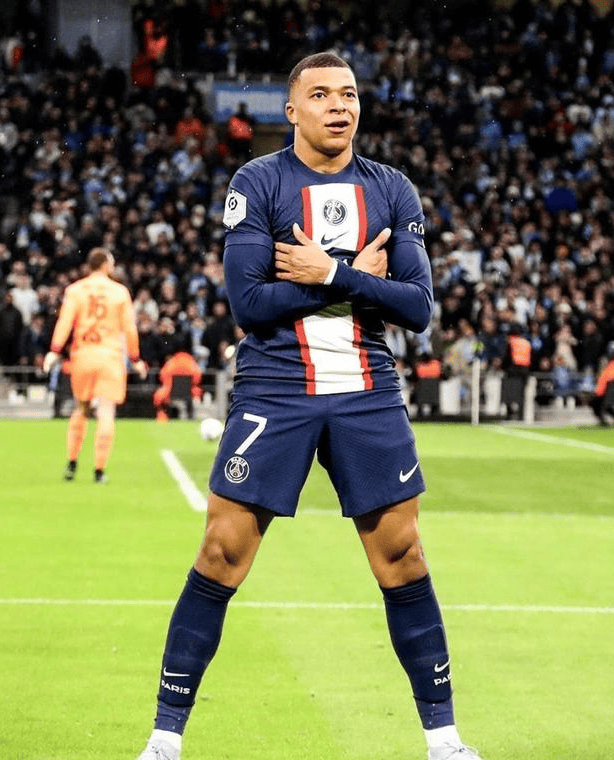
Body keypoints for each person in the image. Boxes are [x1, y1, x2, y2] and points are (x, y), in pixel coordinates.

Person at [135, 53, 484, 760]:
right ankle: (164, 740)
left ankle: (444, 740)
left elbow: (418, 307)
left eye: (348, 94)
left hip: (366, 389)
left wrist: (328, 272)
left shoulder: (392, 189)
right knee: (221, 552)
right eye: (320, 94)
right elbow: (248, 302)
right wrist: (355, 278)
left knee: (403, 557)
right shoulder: (258, 181)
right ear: (291, 110)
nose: (338, 106)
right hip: (276, 385)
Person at [43, 248, 147, 483]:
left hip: (83, 355)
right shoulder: (120, 292)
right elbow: (129, 329)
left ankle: (71, 464)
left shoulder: (75, 290)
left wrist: (55, 350)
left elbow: (65, 322)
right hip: (110, 357)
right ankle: (99, 471)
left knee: (81, 408)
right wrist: (136, 358)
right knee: (106, 412)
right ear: (105, 265)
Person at [590, 341, 614, 424]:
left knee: (597, 401)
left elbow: (599, 392)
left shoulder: (607, 371)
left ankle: (604, 420)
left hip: (608, 400)